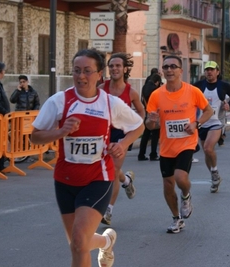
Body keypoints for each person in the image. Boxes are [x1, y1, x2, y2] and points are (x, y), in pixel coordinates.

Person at [31, 49, 144, 267]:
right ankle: (107, 241)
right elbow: (34, 137)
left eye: (87, 71)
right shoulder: (59, 101)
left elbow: (138, 125)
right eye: (76, 71)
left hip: (97, 178)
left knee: (80, 240)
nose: (81, 76)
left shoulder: (110, 103)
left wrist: (122, 144)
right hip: (65, 180)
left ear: (99, 74)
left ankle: (104, 241)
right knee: (77, 244)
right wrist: (60, 132)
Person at [146, 55, 213, 233]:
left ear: (181, 71)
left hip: (187, 143)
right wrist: (151, 121)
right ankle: (176, 219)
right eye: (166, 67)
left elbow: (208, 110)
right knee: (168, 185)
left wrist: (196, 124)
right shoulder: (156, 95)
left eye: (173, 66)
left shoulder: (192, 91)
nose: (169, 70)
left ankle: (186, 196)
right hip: (167, 147)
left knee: (180, 178)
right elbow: (150, 124)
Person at [97, 52, 146, 225]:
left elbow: (141, 111)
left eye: (118, 66)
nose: (114, 68)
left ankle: (108, 211)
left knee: (111, 171)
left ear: (125, 69)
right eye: (111, 66)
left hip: (121, 135)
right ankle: (126, 180)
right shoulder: (101, 88)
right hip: (102, 133)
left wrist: (135, 126)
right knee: (110, 170)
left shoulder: (131, 92)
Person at [194, 61, 230, 193]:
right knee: (206, 152)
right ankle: (214, 174)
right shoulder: (199, 85)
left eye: (212, 70)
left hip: (216, 122)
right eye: (207, 69)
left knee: (208, 147)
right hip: (202, 123)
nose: (209, 72)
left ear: (217, 72)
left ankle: (214, 173)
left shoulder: (223, 85)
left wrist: (228, 104)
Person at [138, 73, 162, 161]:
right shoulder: (156, 90)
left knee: (145, 135)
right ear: (157, 82)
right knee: (155, 135)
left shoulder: (144, 87)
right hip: (155, 112)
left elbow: (142, 99)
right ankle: (153, 154)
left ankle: (141, 154)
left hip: (147, 111)